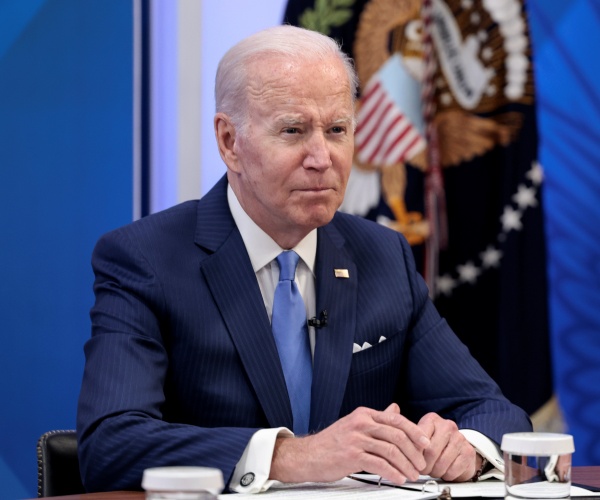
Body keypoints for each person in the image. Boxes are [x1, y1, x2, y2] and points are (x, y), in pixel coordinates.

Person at [77, 24, 531, 494]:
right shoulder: (144, 259)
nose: (322, 157)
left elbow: (496, 413)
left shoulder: (383, 256)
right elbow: (111, 444)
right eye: (293, 131)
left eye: (337, 130)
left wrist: (466, 447)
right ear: (230, 142)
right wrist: (294, 456)